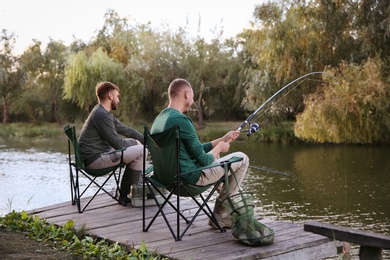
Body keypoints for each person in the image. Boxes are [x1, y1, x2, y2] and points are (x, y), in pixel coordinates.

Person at [150, 78, 249, 228]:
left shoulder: (159, 119)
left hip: (167, 181)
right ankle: (220, 214)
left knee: (218, 157)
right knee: (242, 158)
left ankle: (221, 200)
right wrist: (220, 148)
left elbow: (195, 150)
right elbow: (204, 161)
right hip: (189, 181)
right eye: (193, 96)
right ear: (187, 94)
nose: (193, 99)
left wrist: (223, 139)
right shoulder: (182, 120)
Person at [79, 81, 145, 206]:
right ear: (110, 96)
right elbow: (118, 144)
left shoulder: (103, 113)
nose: (118, 100)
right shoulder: (101, 115)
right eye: (117, 96)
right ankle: (125, 194)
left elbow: (125, 130)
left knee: (140, 147)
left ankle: (131, 190)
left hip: (100, 155)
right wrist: (137, 143)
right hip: (95, 160)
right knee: (142, 151)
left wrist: (146, 139)